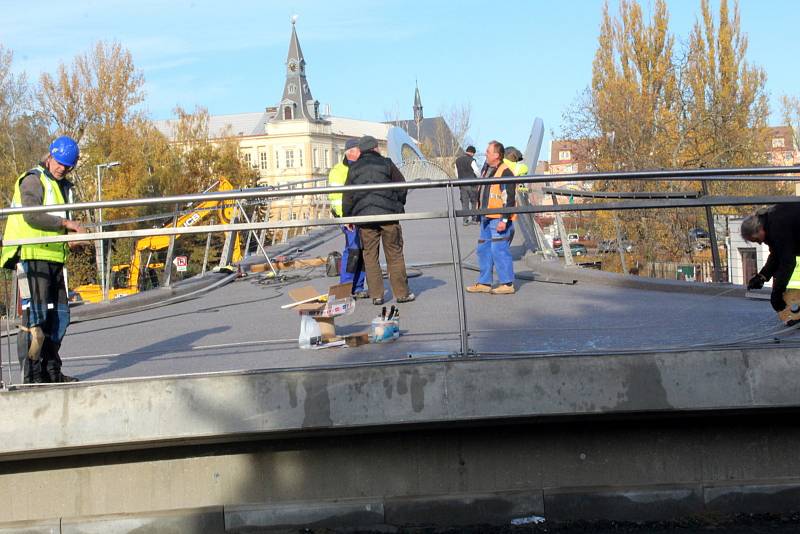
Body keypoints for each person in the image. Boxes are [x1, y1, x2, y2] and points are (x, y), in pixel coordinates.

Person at [1, 136, 87, 383]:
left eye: (67, 165)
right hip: (31, 255)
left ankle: (51, 371)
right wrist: (66, 223)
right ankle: (32, 375)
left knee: (59, 317)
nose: (62, 168)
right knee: (35, 319)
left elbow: (61, 220)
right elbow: (31, 215)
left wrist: (73, 238)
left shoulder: (64, 187)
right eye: (59, 162)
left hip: (54, 255)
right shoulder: (33, 180)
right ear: (50, 157)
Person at [342, 135, 415, 305]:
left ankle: (376, 295)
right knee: (395, 253)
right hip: (389, 215)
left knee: (370, 256)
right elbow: (402, 185)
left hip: (365, 218)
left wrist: (348, 217)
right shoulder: (387, 163)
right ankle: (402, 294)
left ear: (361, 150)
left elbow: (348, 195)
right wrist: (398, 204)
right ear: (375, 148)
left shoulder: (354, 169)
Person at [466, 140, 517, 295]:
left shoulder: (505, 172)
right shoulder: (487, 169)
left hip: (498, 217)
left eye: (488, 151)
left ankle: (507, 284)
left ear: (497, 154)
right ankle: (484, 282)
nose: (486, 154)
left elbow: (509, 198)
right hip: (486, 217)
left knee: (499, 250)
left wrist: (504, 220)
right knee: (484, 249)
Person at [741, 204, 800, 314]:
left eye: (756, 240)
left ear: (759, 229)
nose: (759, 243)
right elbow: (776, 255)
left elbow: (788, 262)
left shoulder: (776, 227)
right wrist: (762, 277)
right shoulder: (770, 221)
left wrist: (777, 292)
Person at [328, 139, 367, 298]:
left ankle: (357, 286)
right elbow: (336, 198)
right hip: (347, 216)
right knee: (353, 250)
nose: (361, 153)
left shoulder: (360, 167)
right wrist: (345, 218)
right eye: (359, 150)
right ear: (351, 152)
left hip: (362, 214)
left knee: (362, 250)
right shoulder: (338, 171)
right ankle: (346, 287)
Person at [454, 145, 481, 225]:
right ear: (473, 153)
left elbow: (456, 172)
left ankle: (465, 220)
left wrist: (459, 179)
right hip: (472, 184)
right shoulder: (472, 160)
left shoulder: (457, 160)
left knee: (464, 202)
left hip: (462, 184)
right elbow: (476, 171)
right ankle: (474, 218)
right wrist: (479, 179)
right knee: (474, 201)